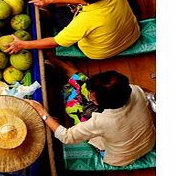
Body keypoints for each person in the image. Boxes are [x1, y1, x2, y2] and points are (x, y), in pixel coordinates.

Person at [25, 53, 156, 166]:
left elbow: (66, 136)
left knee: (73, 107)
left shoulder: (102, 121)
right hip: (148, 143)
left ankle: (72, 78)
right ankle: (61, 65)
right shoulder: (135, 90)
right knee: (86, 86)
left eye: (93, 98)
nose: (90, 96)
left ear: (103, 103)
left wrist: (42, 112)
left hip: (120, 157)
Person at [5, 0, 140, 60]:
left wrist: (22, 44)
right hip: (133, 32)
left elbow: (55, 41)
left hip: (100, 51)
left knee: (59, 15)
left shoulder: (84, 21)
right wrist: (48, 0)